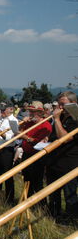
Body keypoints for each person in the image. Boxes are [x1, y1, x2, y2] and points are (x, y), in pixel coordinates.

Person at [46, 91, 78, 219]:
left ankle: (71, 220)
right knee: (53, 192)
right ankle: (54, 215)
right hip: (55, 161)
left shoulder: (75, 119)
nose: (60, 107)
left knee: (69, 194)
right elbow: (55, 135)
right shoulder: (63, 116)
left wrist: (57, 119)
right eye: (59, 104)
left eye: (63, 104)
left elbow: (64, 138)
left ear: (73, 104)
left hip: (69, 163)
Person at [20, 101, 52, 198]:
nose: (30, 114)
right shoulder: (29, 123)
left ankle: (40, 205)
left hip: (37, 157)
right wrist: (22, 125)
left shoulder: (46, 125)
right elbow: (19, 135)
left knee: (37, 182)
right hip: (26, 154)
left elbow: (37, 142)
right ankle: (27, 201)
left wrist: (24, 137)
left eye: (33, 112)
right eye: (30, 111)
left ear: (39, 113)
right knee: (26, 179)